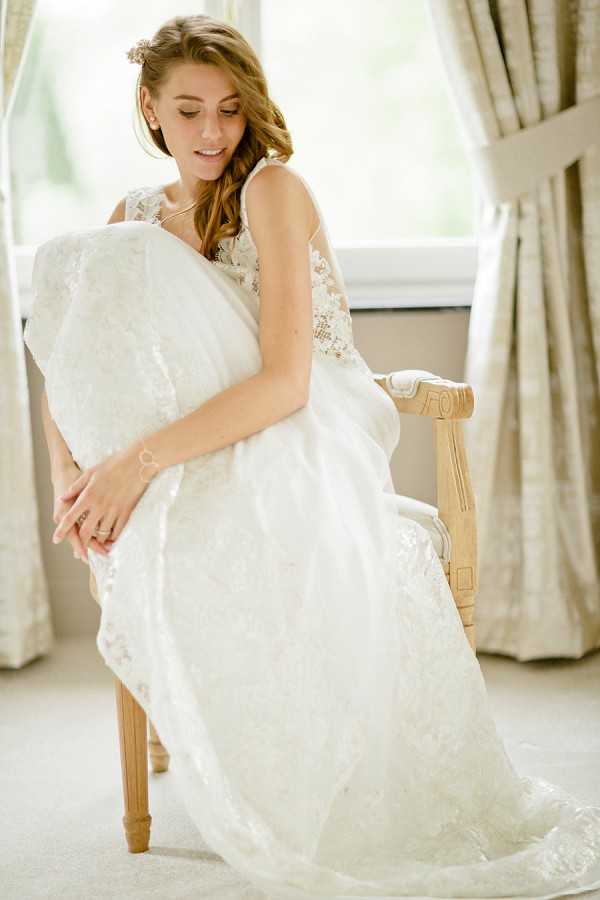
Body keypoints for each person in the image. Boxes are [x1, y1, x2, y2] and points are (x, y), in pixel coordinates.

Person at [23, 14, 600, 900]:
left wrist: (135, 466)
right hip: (188, 437)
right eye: (188, 111)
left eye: (228, 109)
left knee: (222, 509)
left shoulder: (272, 190)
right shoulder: (134, 219)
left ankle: (295, 768)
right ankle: (219, 729)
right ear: (150, 111)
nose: (212, 132)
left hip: (302, 423)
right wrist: (76, 476)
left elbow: (289, 384)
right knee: (82, 272)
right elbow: (75, 360)